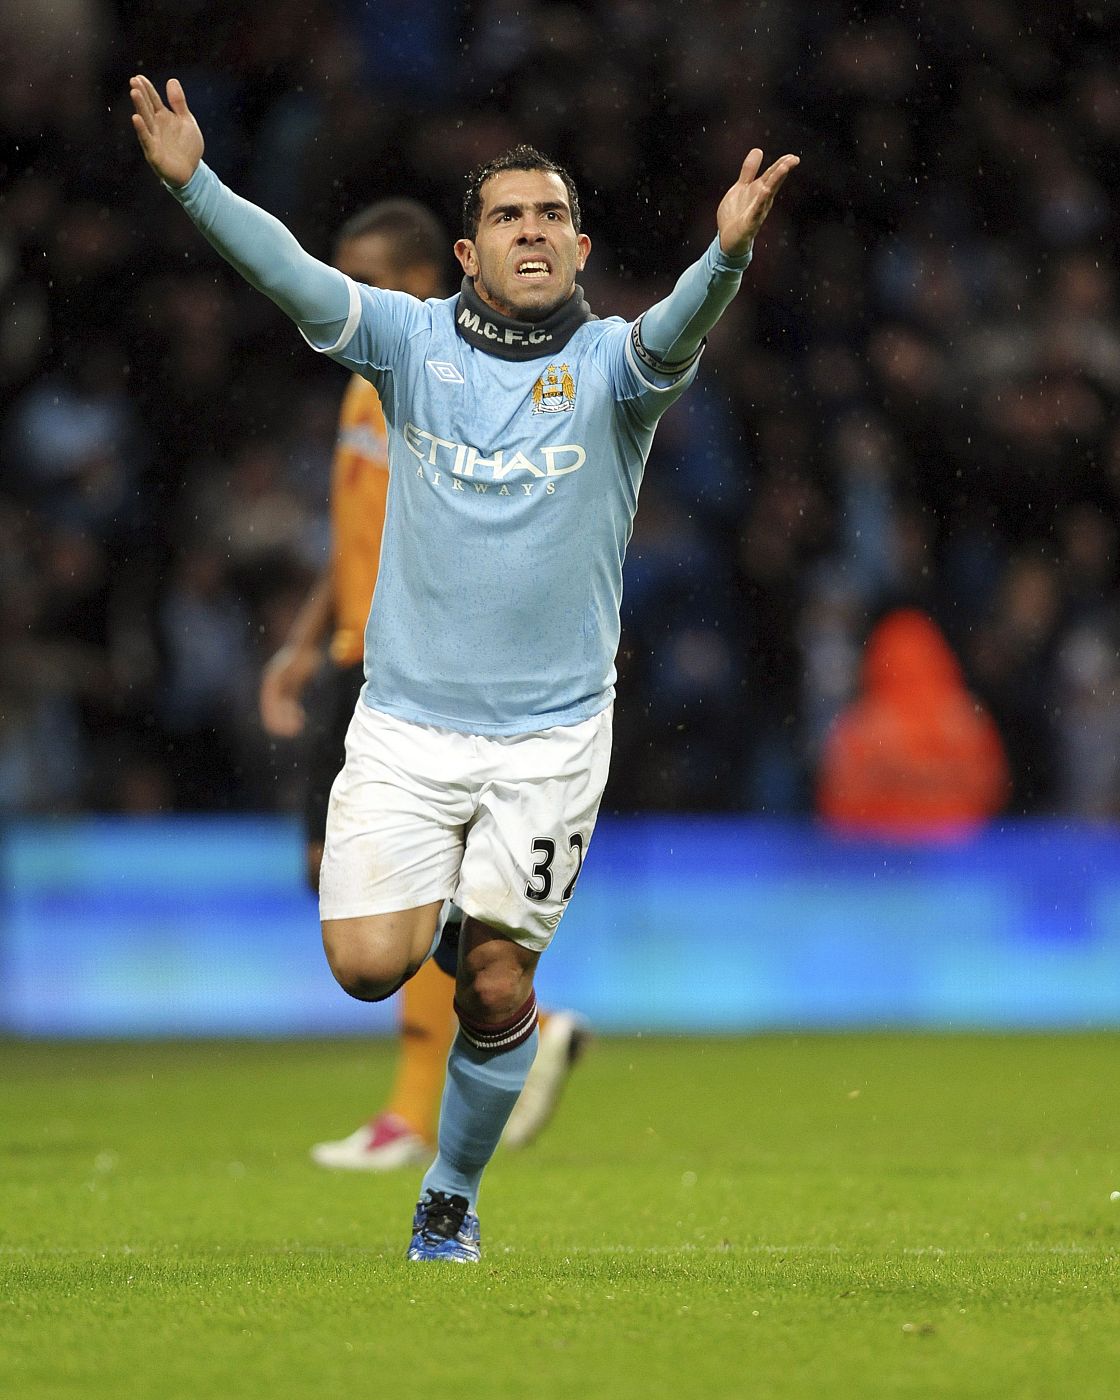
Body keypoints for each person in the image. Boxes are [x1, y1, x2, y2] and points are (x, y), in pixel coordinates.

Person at [129, 71, 798, 1262]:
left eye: (550, 216)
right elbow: (291, 273)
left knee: (493, 986)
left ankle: (450, 1189)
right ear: (466, 249)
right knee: (363, 964)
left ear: (581, 246)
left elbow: (678, 327)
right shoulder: (406, 342)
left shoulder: (611, 370)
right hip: (405, 726)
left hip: (549, 740)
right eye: (508, 216)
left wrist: (726, 257)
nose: (531, 232)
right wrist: (195, 186)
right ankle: (464, 918)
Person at [258, 199, 588, 1169]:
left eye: (363, 274)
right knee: (337, 878)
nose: (344, 289)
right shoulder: (365, 385)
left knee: (391, 884)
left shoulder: (431, 383)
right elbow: (355, 526)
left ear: (414, 281)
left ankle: (419, 1102)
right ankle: (508, 1022)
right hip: (349, 648)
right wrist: (301, 642)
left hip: (401, 662)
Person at [817, 608, 1010, 838]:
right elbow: (992, 789)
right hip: (955, 853)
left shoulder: (861, 725)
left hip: (875, 858)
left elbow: (837, 800)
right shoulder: (965, 720)